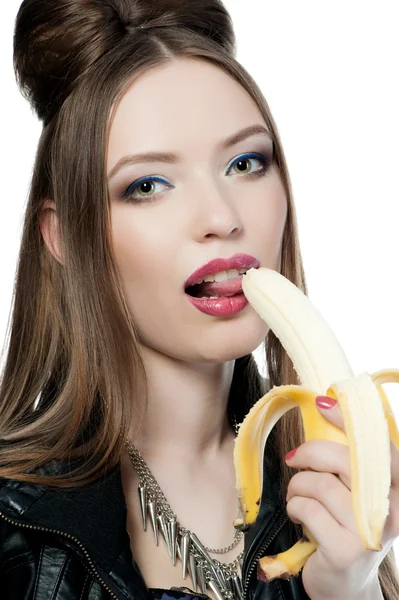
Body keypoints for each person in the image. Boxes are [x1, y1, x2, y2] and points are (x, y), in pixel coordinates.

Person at [0, 0, 398, 599]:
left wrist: (351, 587)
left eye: (246, 163)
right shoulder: (13, 527)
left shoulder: (332, 491)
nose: (221, 218)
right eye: (148, 185)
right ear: (64, 237)